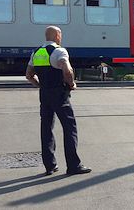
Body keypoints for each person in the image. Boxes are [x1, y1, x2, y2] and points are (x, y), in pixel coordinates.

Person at [26, 26, 91, 176]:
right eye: (60, 34)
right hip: (59, 94)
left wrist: (40, 85)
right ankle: (73, 165)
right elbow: (67, 70)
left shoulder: (36, 53)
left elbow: (29, 75)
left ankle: (50, 165)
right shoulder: (59, 51)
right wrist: (71, 84)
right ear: (57, 36)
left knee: (46, 128)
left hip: (45, 94)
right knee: (69, 128)